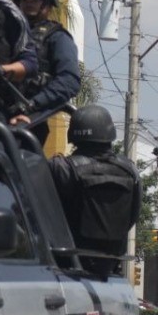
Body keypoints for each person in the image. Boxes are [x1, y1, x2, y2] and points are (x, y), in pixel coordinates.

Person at [49, 105, 141, 276]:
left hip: (64, 264)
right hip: (111, 267)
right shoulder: (130, 170)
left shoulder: (61, 168)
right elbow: (133, 215)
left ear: (74, 133)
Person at [9, 0, 80, 144]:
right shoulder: (5, 34)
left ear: (47, 4)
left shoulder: (57, 38)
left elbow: (69, 81)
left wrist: (31, 105)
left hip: (29, 123)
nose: (28, 1)